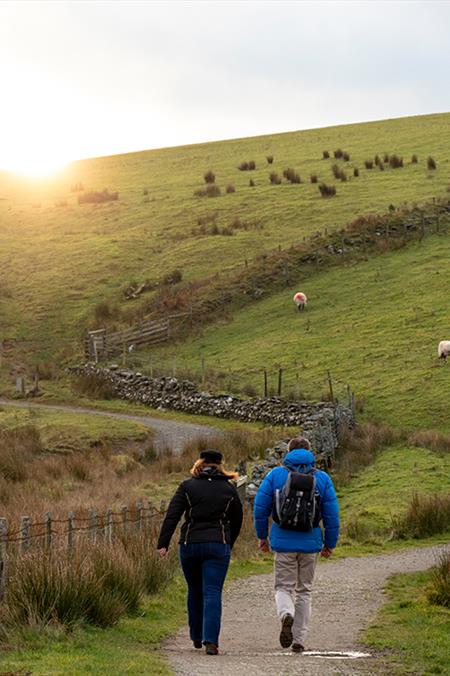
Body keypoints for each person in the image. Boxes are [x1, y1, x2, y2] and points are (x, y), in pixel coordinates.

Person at [253, 436, 339, 653]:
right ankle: (299, 639)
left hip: (283, 541)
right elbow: (331, 515)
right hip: (310, 543)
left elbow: (260, 509)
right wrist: (330, 543)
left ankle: (286, 614)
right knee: (304, 591)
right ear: (310, 453)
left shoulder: (275, 475)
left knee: (283, 587)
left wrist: (262, 537)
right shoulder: (322, 478)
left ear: (288, 452)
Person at [157, 449, 243, 656]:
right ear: (220, 466)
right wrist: (228, 543)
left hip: (190, 544)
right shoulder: (228, 489)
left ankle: (196, 635)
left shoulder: (187, 486)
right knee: (212, 591)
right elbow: (237, 519)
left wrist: (163, 543)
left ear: (200, 463)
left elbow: (173, 516)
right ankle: (211, 641)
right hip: (217, 545)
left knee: (194, 589)